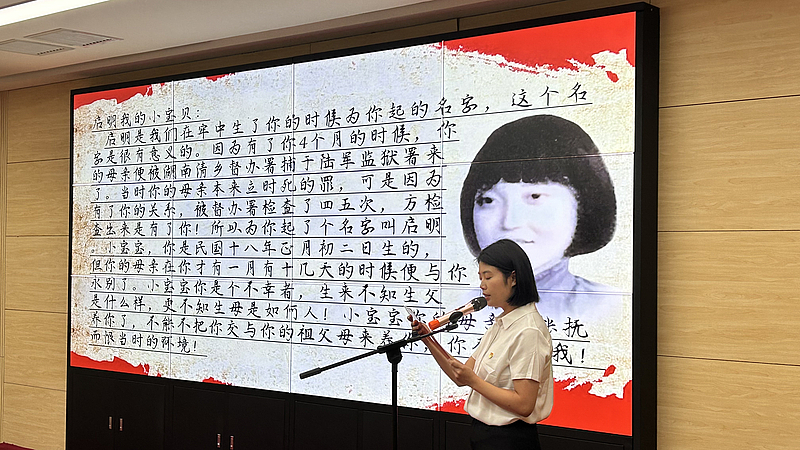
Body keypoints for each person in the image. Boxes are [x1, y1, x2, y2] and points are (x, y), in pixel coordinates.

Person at [459, 114, 622, 320]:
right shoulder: (462, 307)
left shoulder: (610, 306)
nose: (510, 222)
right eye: (489, 200)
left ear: (583, 204)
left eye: (534, 196)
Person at [409, 239, 553, 450]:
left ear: (513, 278)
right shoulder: (502, 323)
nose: (482, 285)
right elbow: (461, 376)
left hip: (510, 440)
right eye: (480, 278)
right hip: (483, 435)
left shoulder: (528, 330)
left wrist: (474, 381)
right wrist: (427, 339)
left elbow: (524, 404)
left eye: (488, 277)